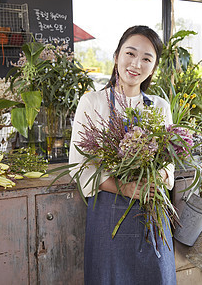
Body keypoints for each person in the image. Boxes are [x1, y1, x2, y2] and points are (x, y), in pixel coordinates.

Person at [69, 26, 176, 284]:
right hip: (109, 214)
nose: (136, 64)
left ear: (154, 67)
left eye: (147, 58)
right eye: (130, 53)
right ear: (116, 55)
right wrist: (123, 187)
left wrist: (159, 176)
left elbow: (170, 162)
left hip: (152, 213)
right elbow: (79, 166)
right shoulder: (93, 102)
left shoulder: (160, 106)